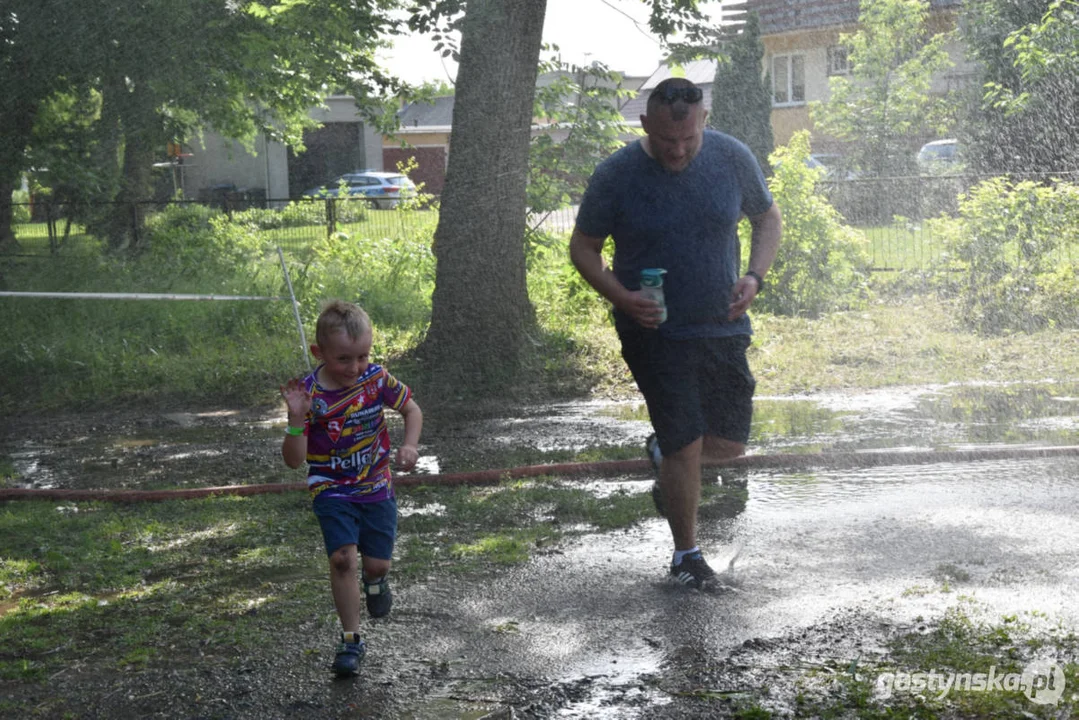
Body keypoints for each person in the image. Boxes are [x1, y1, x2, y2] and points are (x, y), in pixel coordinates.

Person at [569, 78, 782, 590]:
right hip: (654, 330)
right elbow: (583, 247)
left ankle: (667, 457)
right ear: (645, 125)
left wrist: (754, 276)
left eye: (689, 140)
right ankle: (687, 555)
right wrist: (621, 297)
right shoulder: (617, 175)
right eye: (667, 142)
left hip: (722, 324)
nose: (679, 150)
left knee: (727, 443)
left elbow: (766, 216)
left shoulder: (732, 157)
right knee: (685, 439)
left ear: (703, 120)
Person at [280, 300, 423, 677]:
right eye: (344, 359)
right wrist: (296, 420)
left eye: (363, 356)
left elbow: (412, 409)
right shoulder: (308, 396)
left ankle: (375, 582)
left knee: (376, 564)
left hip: (376, 486)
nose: (355, 367)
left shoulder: (376, 380)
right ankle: (350, 639)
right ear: (319, 352)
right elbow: (294, 460)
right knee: (342, 560)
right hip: (330, 489)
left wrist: (409, 444)